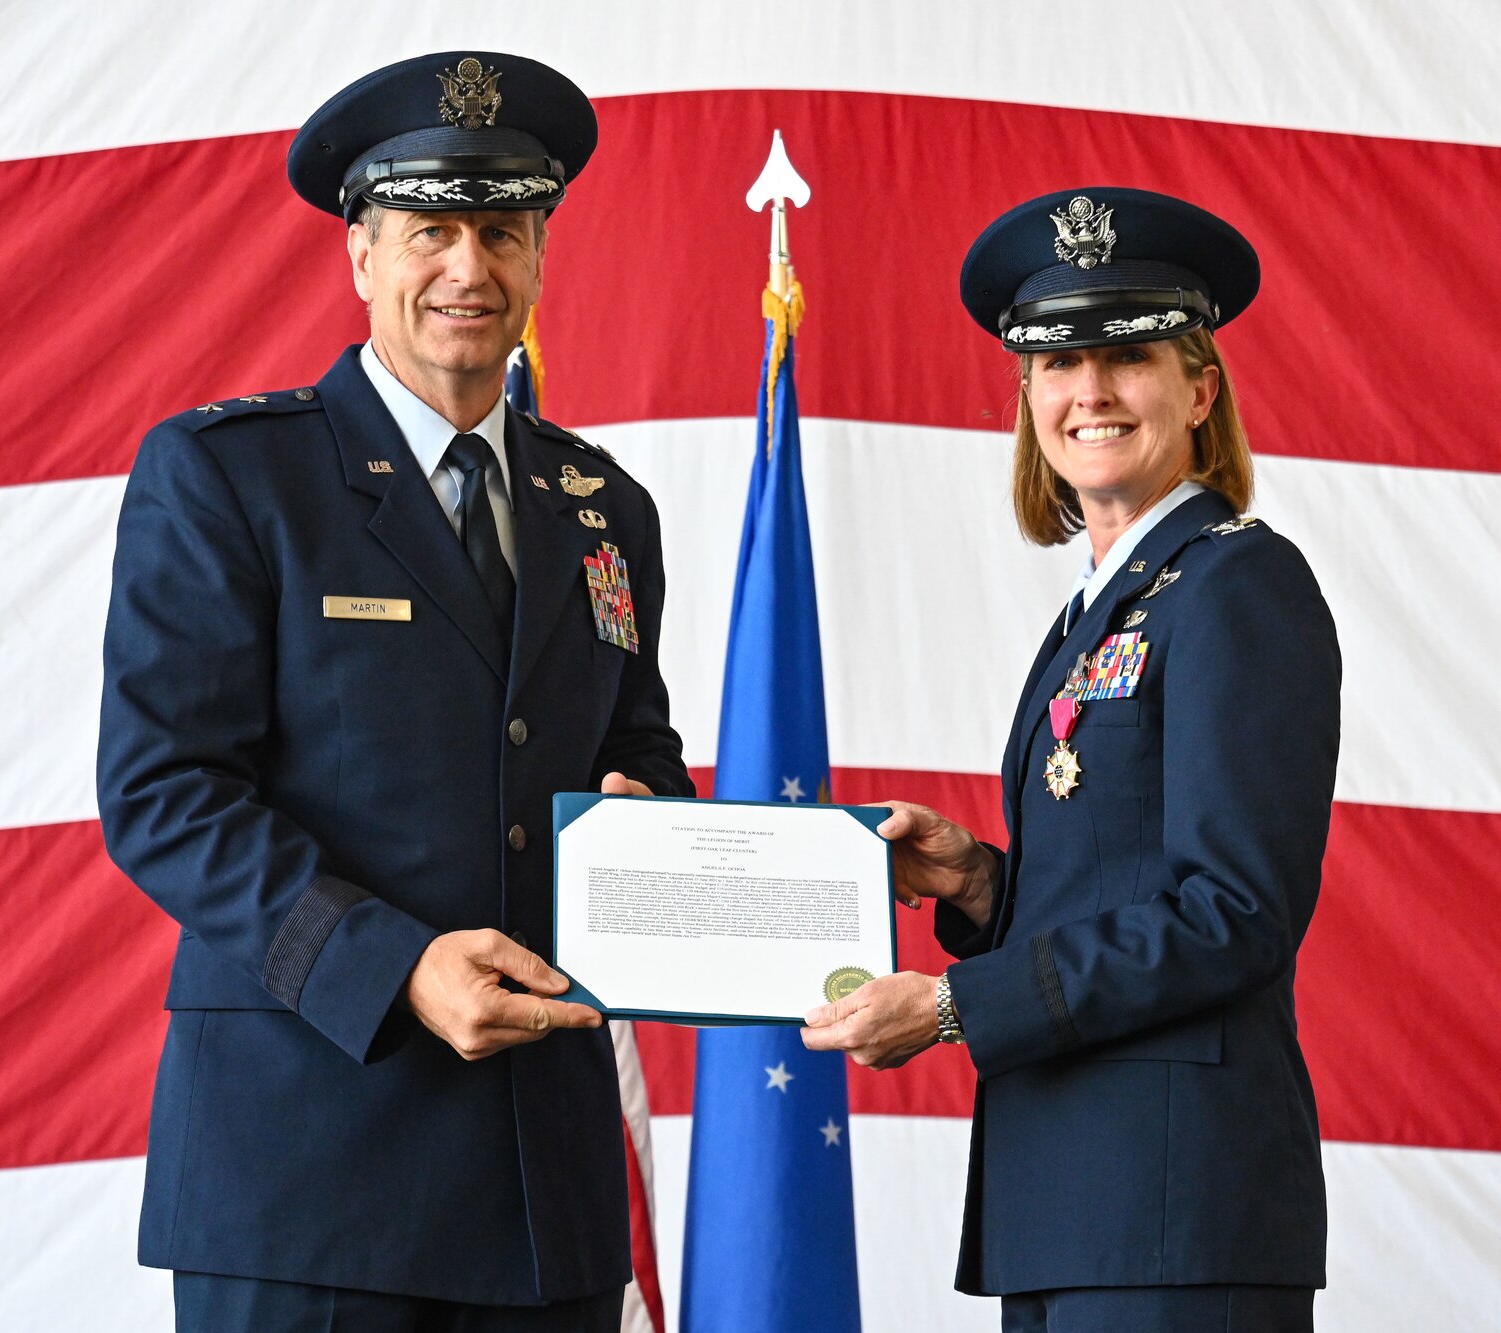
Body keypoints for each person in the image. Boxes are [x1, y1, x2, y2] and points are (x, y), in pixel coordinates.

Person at [96, 50, 691, 1333]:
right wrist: (397, 965)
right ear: (361, 255)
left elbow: (636, 747)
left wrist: (660, 833)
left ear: (540, 257)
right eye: (430, 230)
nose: (467, 269)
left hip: (544, 1188)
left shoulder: (603, 506)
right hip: (311, 1166)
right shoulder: (230, 479)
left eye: (503, 231)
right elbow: (163, 794)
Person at [802, 188, 1340, 1331]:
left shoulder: (1238, 586)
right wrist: (980, 884)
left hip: (1174, 1214)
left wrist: (951, 1005)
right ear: (1027, 398)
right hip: (1073, 1203)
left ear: (1198, 389)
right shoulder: (1102, 610)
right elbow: (1119, 877)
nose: (1086, 391)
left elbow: (1232, 912)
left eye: (1125, 356)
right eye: (1054, 364)